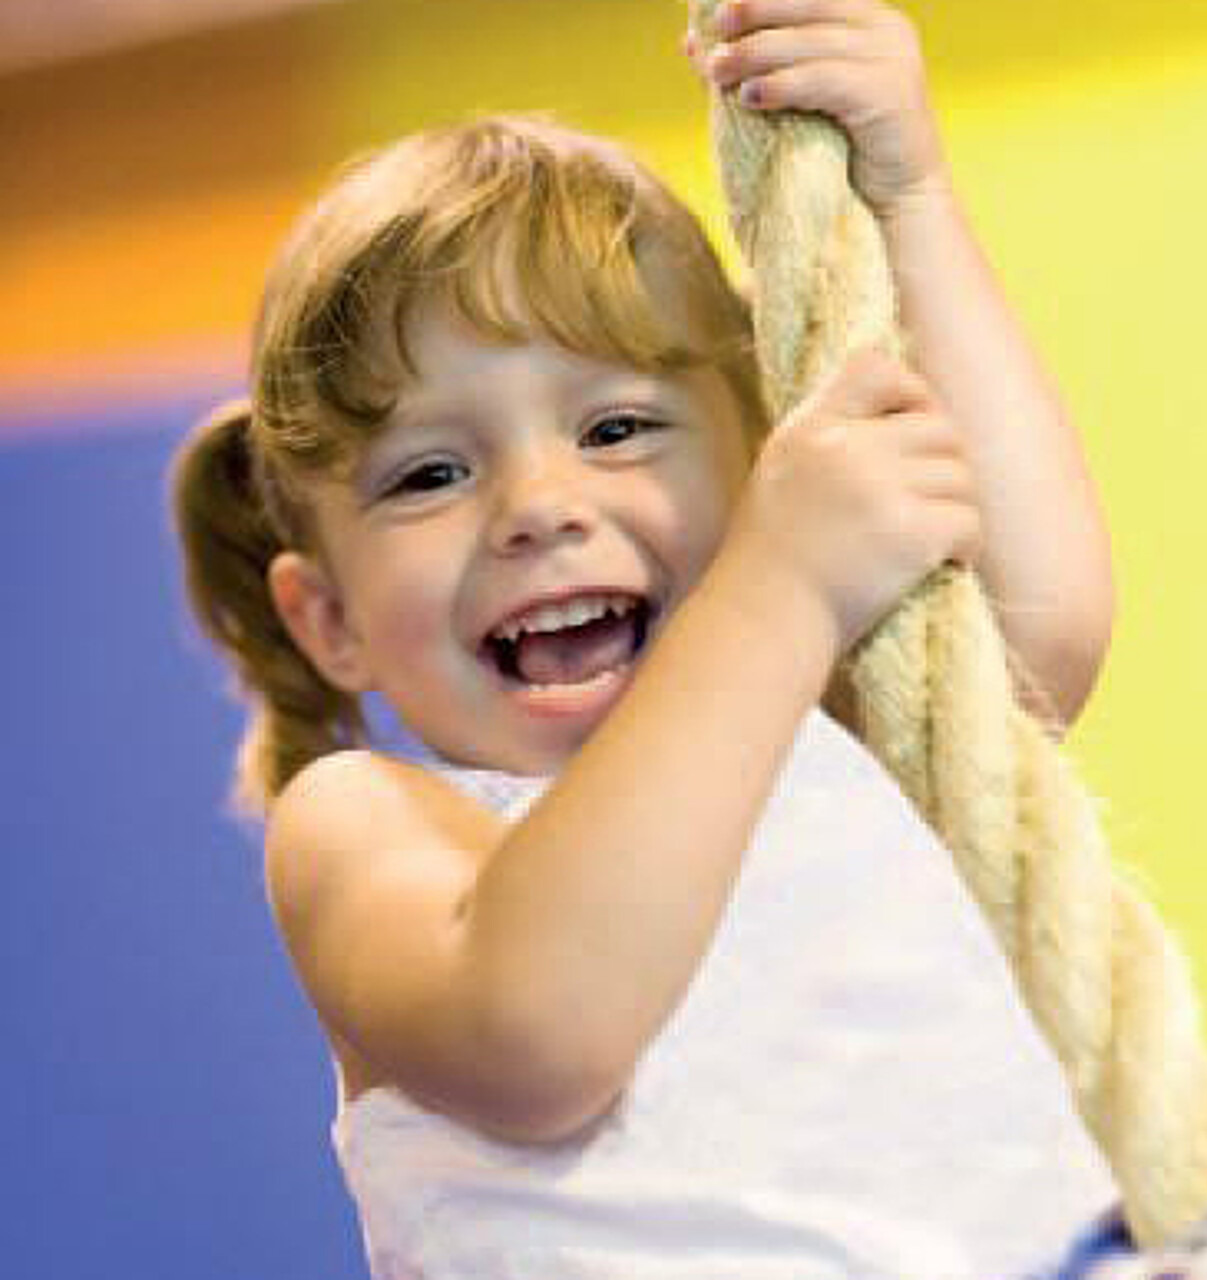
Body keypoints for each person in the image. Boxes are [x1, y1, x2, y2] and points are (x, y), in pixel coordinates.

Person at [168, 2, 1136, 1276]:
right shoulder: (369, 824)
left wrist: (909, 194)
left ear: (759, 467)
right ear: (329, 618)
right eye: (429, 473)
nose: (537, 508)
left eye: (616, 428)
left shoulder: (836, 748)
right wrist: (775, 589)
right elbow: (535, 1036)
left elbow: (1040, 616)